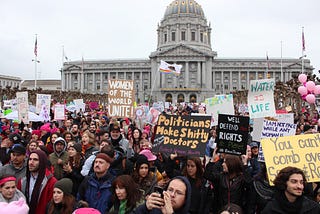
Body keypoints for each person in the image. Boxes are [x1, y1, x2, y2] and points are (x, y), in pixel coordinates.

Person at [204, 148, 252, 213]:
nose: (223, 164)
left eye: (225, 162)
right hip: (222, 210)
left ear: (231, 164)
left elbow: (249, 183)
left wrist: (245, 164)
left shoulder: (241, 179)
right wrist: (212, 160)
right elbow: (207, 175)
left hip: (236, 211)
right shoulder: (221, 176)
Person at [17, 150, 57, 214]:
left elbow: (52, 206)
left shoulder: (51, 182)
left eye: (35, 160)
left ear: (42, 162)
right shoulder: (22, 181)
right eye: (30, 159)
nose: (31, 162)